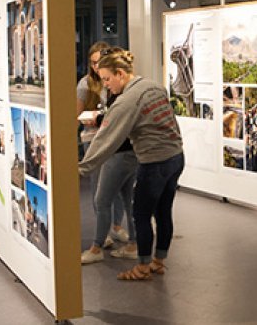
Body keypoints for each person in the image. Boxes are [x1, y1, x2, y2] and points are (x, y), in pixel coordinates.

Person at [79, 48, 184, 280]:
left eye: (107, 79)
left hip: (154, 162)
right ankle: (159, 261)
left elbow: (106, 140)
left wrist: (80, 169)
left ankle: (143, 267)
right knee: (163, 212)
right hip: (176, 157)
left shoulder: (126, 100)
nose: (106, 84)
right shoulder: (153, 86)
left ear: (120, 73)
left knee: (140, 214)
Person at [77, 42, 131, 258]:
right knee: (99, 188)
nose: (96, 67)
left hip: (117, 140)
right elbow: (78, 114)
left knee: (120, 188)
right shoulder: (85, 84)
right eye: (93, 63)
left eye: (99, 62)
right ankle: (102, 235)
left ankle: (116, 227)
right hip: (94, 139)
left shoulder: (124, 85)